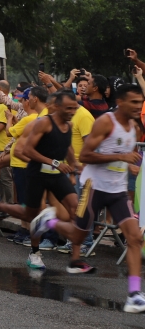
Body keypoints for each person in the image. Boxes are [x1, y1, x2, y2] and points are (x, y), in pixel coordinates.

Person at [25, 84, 145, 311]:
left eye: (141, 103)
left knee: (135, 238)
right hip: (94, 188)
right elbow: (86, 155)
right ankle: (46, 222)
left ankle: (134, 294)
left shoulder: (134, 127)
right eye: (134, 103)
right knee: (77, 237)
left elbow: (123, 158)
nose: (138, 107)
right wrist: (121, 156)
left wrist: (128, 166)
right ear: (120, 102)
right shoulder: (106, 122)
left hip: (118, 192)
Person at [0, 90, 80, 271]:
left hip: (56, 174)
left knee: (74, 209)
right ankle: (34, 251)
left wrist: (74, 169)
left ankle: (76, 259)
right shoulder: (37, 122)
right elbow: (22, 150)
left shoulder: (67, 124)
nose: (72, 111)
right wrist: (51, 162)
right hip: (36, 172)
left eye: (74, 108)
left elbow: (66, 146)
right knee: (32, 214)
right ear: (54, 105)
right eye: (68, 108)